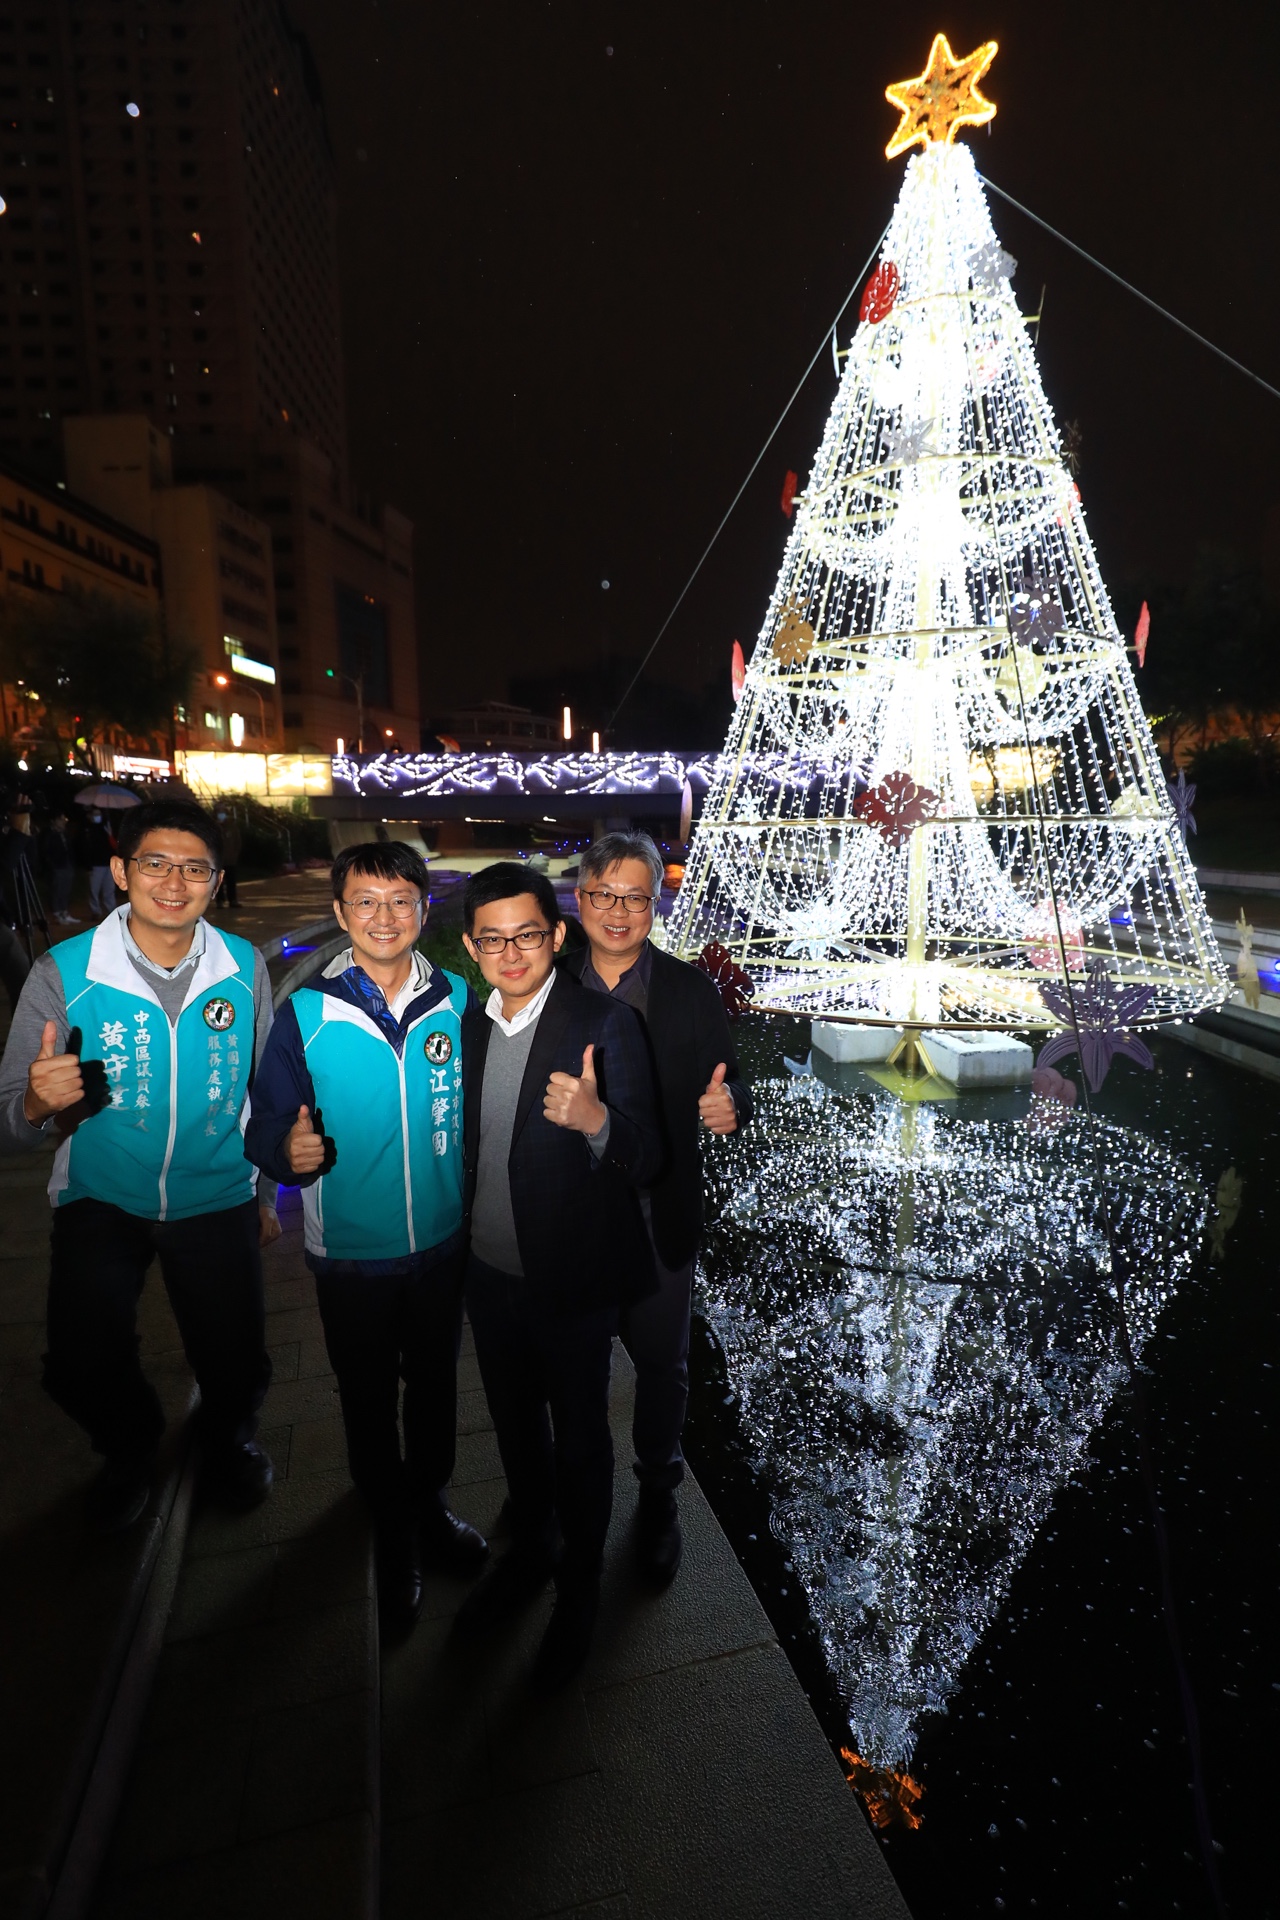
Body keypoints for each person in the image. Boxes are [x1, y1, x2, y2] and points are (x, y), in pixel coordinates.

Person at [0, 800, 280, 1534]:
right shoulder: (64, 971)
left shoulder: (243, 966)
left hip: (217, 1193)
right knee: (79, 1360)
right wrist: (35, 1104)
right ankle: (129, 1450)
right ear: (121, 871)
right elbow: (9, 1123)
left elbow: (266, 1093)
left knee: (236, 1356)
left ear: (215, 881)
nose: (174, 883)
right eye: (155, 863)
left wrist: (265, 1195)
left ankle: (227, 1441)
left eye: (194, 868)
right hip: (102, 1195)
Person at [244, 842, 488, 1629]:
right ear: (341, 913)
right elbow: (263, 1120)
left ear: (424, 907)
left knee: (437, 1385)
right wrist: (285, 1151)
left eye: (401, 900)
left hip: (443, 1244)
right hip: (350, 1255)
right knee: (368, 1395)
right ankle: (392, 1528)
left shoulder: (457, 998)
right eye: (366, 901)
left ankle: (431, 1506)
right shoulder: (305, 1013)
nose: (385, 917)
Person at [454, 861, 661, 1689]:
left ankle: (580, 1586)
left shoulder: (603, 1023)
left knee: (579, 1435)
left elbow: (650, 1156)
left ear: (557, 935)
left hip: (572, 1280)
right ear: (471, 947)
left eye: (528, 936)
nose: (511, 954)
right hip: (487, 1273)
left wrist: (598, 1119)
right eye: (493, 940)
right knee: (512, 1423)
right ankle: (533, 1547)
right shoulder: (467, 1027)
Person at [562, 831, 752, 1584]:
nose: (618, 911)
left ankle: (658, 1493)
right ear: (580, 900)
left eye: (635, 897)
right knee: (571, 1366)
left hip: (658, 1209)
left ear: (655, 904)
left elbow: (731, 1078)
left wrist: (730, 1105)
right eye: (604, 895)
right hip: (569, 1216)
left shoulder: (688, 990)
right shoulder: (546, 983)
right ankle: (573, 1494)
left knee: (663, 1365)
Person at [41, 810, 79, 925]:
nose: (63, 822)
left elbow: (70, 849)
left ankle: (64, 912)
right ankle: (57, 914)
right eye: (61, 819)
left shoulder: (64, 834)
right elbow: (45, 851)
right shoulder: (49, 834)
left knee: (65, 889)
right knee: (57, 890)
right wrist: (51, 864)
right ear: (54, 821)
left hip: (67, 865)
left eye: (64, 819)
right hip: (57, 866)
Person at [83, 809, 118, 919]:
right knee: (94, 890)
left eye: (99, 814)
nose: (97, 816)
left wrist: (110, 834)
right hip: (96, 865)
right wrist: (88, 865)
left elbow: (113, 845)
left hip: (108, 863)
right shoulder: (87, 829)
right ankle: (95, 911)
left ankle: (112, 911)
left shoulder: (106, 827)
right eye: (95, 814)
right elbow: (85, 848)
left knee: (109, 890)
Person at [215, 807, 243, 908]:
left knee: (231, 881)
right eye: (219, 812)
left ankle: (233, 900)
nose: (221, 815)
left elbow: (237, 842)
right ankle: (220, 901)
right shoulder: (214, 827)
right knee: (219, 882)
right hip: (218, 860)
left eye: (223, 812)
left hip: (231, 860)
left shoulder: (232, 827)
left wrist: (235, 854)